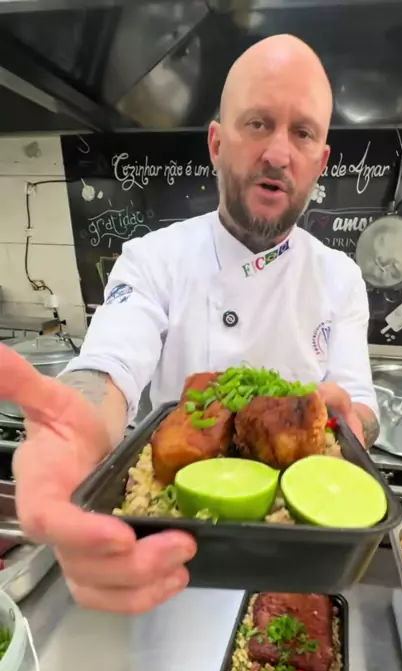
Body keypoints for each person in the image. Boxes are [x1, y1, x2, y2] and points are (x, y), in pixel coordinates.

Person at [1, 34, 379, 615]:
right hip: (168, 567)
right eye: (258, 123)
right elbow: (109, 366)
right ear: (217, 143)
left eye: (302, 133)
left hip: (291, 568)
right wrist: (80, 427)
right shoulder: (152, 259)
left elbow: (360, 405)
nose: (279, 153)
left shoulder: (341, 278)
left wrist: (348, 429)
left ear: (320, 161)